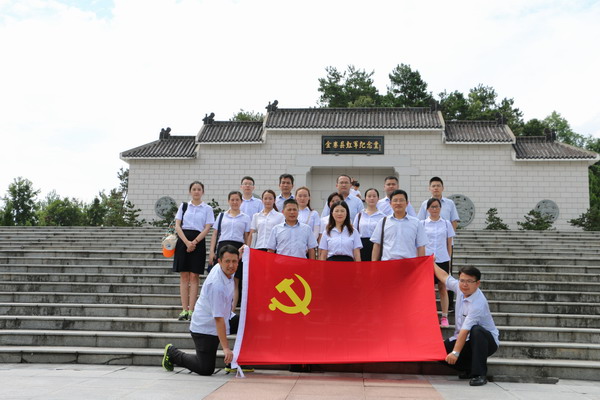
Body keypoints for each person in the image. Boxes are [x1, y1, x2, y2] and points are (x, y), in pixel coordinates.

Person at [162, 245, 241, 376]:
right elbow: (218, 319)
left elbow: (234, 258)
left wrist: (242, 252)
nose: (231, 265)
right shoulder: (216, 285)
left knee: (247, 324)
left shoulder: (224, 269)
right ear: (219, 261)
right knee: (205, 368)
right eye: (227, 261)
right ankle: (172, 353)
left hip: (224, 318)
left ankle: (238, 361)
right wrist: (226, 349)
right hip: (205, 328)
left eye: (234, 261)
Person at [433, 265, 499, 387]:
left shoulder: (478, 303)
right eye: (462, 280)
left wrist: (455, 353)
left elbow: (465, 330)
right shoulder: (460, 288)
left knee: (476, 330)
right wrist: (431, 262)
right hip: (465, 340)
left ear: (477, 283)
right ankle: (469, 367)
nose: (465, 284)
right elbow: (444, 277)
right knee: (437, 352)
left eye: (469, 281)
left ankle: (479, 375)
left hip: (485, 342)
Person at [417, 176, 460, 313]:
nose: (436, 188)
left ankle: (448, 307)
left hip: (444, 245)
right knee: (428, 283)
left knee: (445, 279)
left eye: (438, 186)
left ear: (443, 188)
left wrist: (448, 236)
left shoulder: (450, 203)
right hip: (428, 248)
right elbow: (419, 223)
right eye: (433, 186)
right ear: (429, 188)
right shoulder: (425, 204)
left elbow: (454, 221)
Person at [172, 181, 214, 321]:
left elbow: (207, 228)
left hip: (198, 241)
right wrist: (186, 242)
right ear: (190, 191)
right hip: (183, 240)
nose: (196, 191)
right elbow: (177, 226)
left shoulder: (207, 208)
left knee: (194, 276)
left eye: (199, 189)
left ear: (203, 192)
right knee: (184, 276)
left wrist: (194, 242)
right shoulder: (184, 206)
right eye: (194, 189)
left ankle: (192, 310)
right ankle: (184, 309)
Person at [208, 191, 251, 312]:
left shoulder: (246, 217)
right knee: (220, 279)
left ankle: (231, 311)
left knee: (235, 280)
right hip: (223, 246)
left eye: (237, 200)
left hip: (238, 248)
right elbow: (215, 234)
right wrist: (211, 251)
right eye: (232, 200)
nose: (235, 202)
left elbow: (247, 236)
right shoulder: (222, 216)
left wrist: (245, 250)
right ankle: (218, 308)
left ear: (241, 201)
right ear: (228, 201)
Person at [421, 198, 455, 327]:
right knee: (428, 288)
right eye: (432, 207)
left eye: (437, 206)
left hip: (442, 259)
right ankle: (429, 314)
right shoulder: (422, 224)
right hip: (427, 260)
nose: (434, 209)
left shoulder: (446, 224)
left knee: (442, 287)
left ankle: (444, 316)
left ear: (440, 208)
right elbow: (420, 243)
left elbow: (449, 243)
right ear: (427, 209)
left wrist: (448, 259)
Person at [370, 189, 427, 261]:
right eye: (395, 200)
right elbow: (377, 245)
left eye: (401, 200)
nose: (398, 203)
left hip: (409, 264)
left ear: (407, 203)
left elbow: (421, 246)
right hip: (387, 264)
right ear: (390, 203)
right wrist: (374, 264)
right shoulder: (383, 222)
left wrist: (421, 265)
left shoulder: (416, 223)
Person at [352, 188, 385, 261]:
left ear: (378, 199)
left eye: (374, 196)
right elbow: (354, 232)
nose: (372, 198)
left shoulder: (383, 216)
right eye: (369, 196)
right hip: (361, 246)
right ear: (365, 198)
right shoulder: (359, 215)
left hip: (377, 246)